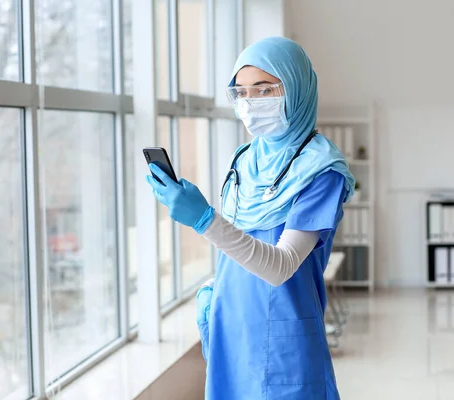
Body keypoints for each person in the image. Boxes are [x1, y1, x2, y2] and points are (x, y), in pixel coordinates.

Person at [145, 36, 355, 400]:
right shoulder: (245, 158)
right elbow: (239, 240)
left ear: (296, 88)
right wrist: (216, 286)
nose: (250, 103)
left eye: (264, 90)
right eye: (240, 92)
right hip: (233, 326)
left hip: (284, 336)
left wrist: (203, 219)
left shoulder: (323, 171)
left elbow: (281, 266)